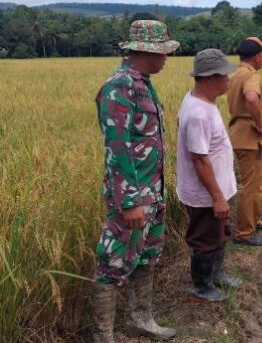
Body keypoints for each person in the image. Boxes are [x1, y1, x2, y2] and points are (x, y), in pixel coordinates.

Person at [90, 20, 179, 343]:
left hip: (152, 193)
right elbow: (117, 147)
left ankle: (142, 319)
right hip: (131, 197)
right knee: (112, 264)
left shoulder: (143, 83)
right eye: (163, 53)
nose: (167, 58)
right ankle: (104, 336)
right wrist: (129, 201)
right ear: (145, 52)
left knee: (147, 256)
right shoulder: (120, 86)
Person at [177, 49, 243, 302]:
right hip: (205, 195)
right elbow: (200, 160)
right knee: (206, 240)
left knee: (220, 234)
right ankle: (202, 286)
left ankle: (217, 275)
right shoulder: (198, 114)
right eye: (224, 75)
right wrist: (217, 197)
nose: (228, 80)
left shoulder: (202, 102)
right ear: (208, 78)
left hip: (216, 190)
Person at [227, 37, 262, 247]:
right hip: (249, 137)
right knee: (251, 186)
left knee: (259, 180)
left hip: (241, 135)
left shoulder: (237, 73)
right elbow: (252, 99)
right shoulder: (250, 74)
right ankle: (244, 233)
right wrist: (259, 125)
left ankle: (255, 221)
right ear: (257, 57)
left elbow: (255, 97)